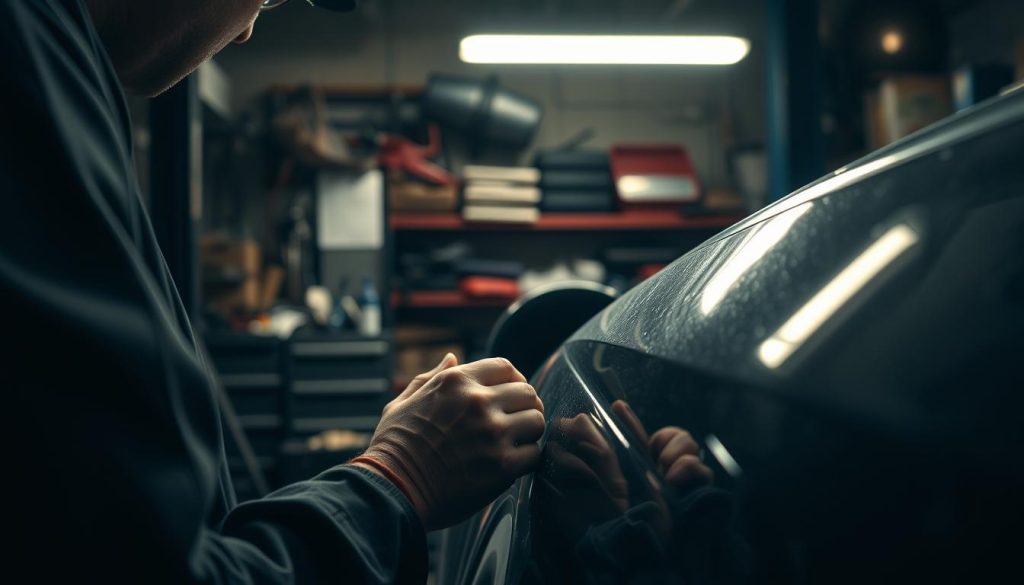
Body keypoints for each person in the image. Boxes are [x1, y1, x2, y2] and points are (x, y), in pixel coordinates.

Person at [1, 0, 545, 582]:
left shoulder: (57, 61)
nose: (247, 33)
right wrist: (397, 479)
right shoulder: (23, 55)